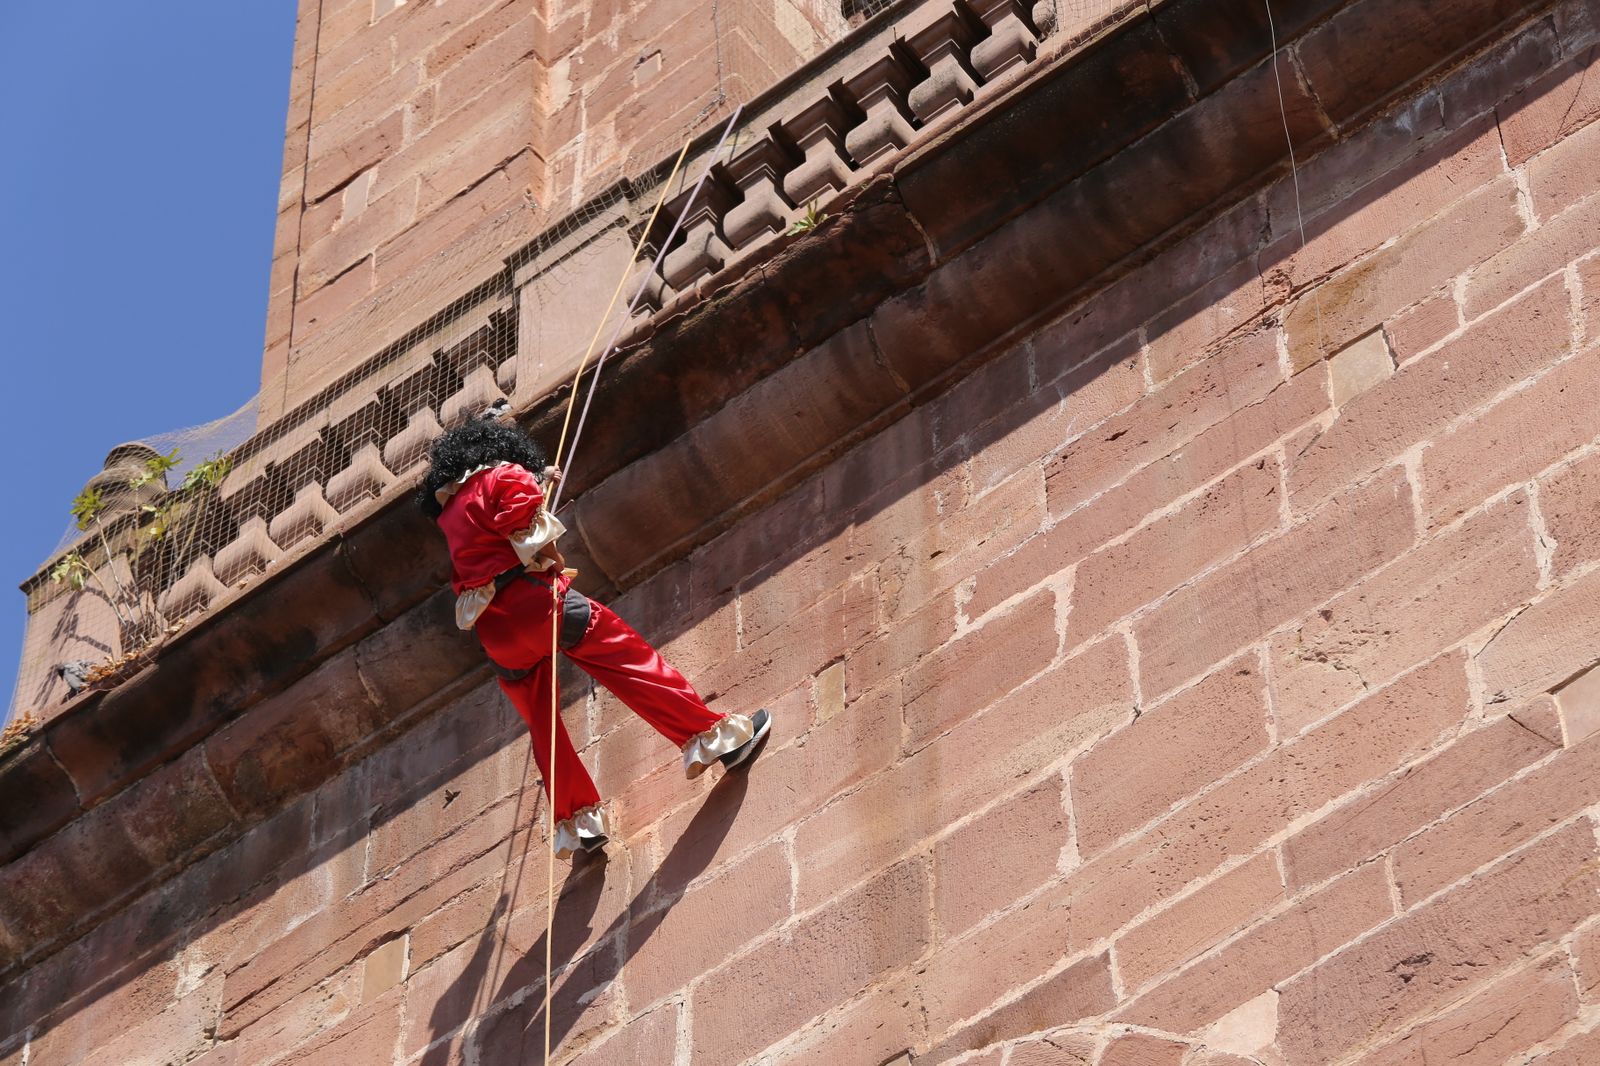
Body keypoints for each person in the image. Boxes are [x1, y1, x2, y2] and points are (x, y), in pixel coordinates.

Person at [418, 417, 770, 858]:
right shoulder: (503, 476)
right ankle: (718, 740)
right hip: (538, 605)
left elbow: (490, 537)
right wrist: (541, 516)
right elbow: (526, 522)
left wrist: (535, 479)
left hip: (496, 635)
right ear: (497, 446)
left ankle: (579, 825)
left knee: (544, 727)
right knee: (630, 662)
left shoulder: (450, 513)